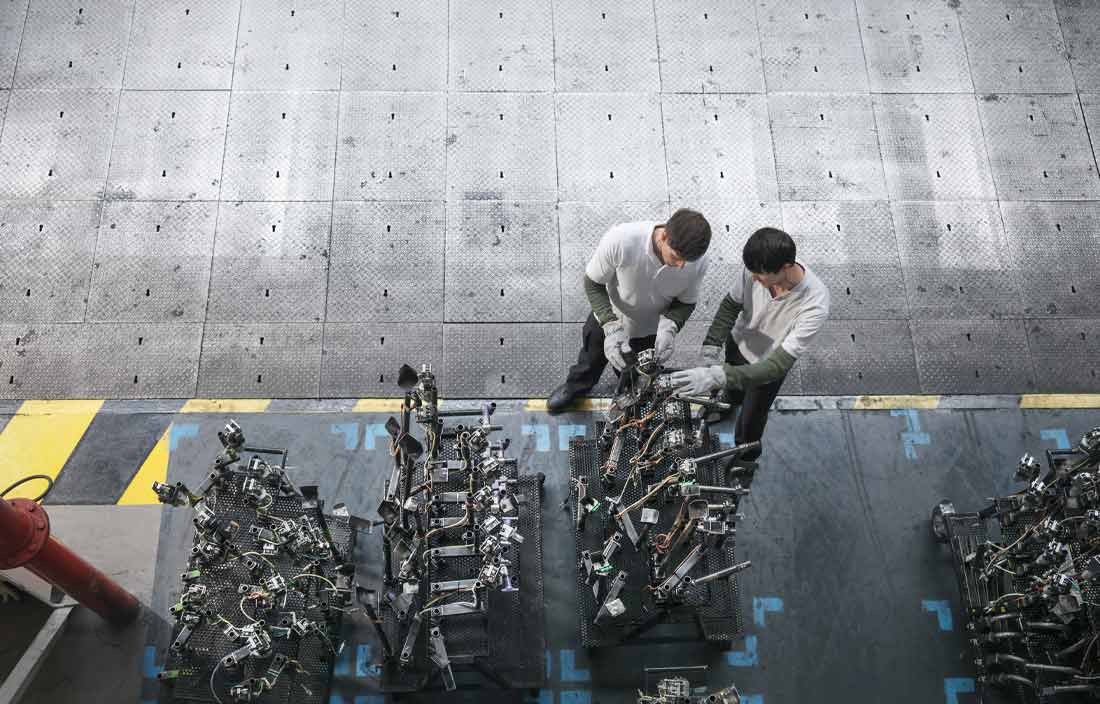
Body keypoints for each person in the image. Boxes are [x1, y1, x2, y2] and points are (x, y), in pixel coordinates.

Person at [666, 227, 829, 461]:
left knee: (752, 418)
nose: (754, 278)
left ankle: (746, 457)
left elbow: (777, 365)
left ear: (784, 268)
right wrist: (711, 348)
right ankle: (727, 404)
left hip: (766, 367)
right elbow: (731, 305)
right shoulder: (756, 268)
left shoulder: (815, 303)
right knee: (732, 390)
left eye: (760, 275)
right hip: (739, 344)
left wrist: (719, 376)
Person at [547, 209, 712, 414]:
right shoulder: (621, 240)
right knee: (590, 359)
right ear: (663, 236)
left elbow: (686, 302)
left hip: (649, 330)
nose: (680, 266)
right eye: (676, 257)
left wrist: (670, 326)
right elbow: (593, 283)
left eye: (687, 262)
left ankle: (628, 395)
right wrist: (610, 325)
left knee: (635, 374)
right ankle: (575, 387)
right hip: (609, 318)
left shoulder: (697, 262)